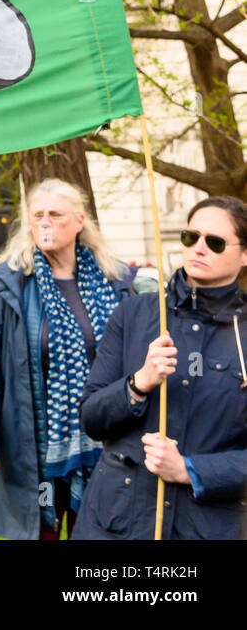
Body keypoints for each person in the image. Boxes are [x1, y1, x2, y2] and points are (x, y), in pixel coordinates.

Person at [0, 179, 133, 539]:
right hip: (33, 443)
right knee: (41, 531)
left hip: (107, 442)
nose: (45, 222)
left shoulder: (114, 282)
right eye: (37, 215)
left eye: (55, 215)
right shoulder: (11, 284)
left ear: (79, 221)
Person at [74, 196, 247, 540]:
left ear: (244, 255)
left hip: (209, 526)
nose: (199, 248)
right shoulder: (134, 315)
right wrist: (138, 384)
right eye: (190, 237)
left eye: (214, 242)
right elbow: (91, 418)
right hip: (117, 523)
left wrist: (190, 470)